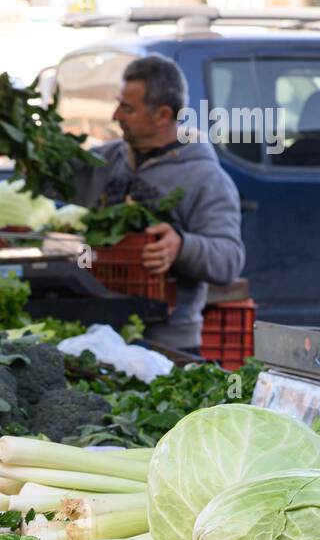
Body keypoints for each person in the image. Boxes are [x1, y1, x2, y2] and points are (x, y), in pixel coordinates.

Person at [72, 54, 246, 354]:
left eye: (127, 108)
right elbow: (54, 176)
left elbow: (229, 259)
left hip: (166, 343)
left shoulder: (205, 178)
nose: (116, 116)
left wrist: (182, 246)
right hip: (99, 333)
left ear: (163, 115)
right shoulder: (108, 159)